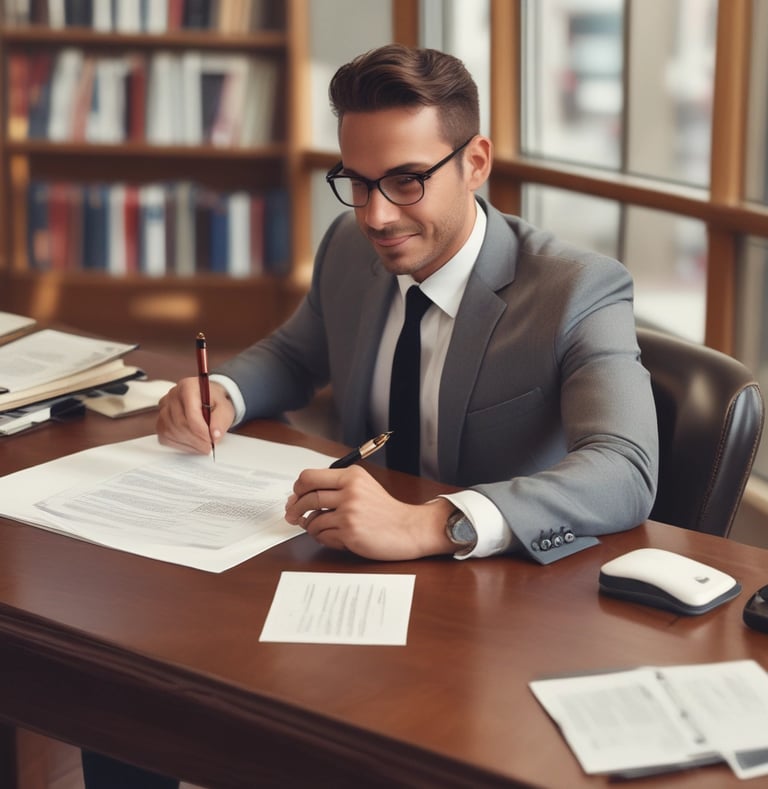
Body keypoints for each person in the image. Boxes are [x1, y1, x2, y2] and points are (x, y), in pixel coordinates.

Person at [83, 43, 658, 787]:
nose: (376, 213)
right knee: (130, 685)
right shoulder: (352, 249)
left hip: (495, 614)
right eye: (355, 181)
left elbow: (626, 468)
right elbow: (296, 353)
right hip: (344, 586)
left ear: (476, 161)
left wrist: (431, 521)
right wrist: (223, 389)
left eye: (407, 180)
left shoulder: (579, 290)